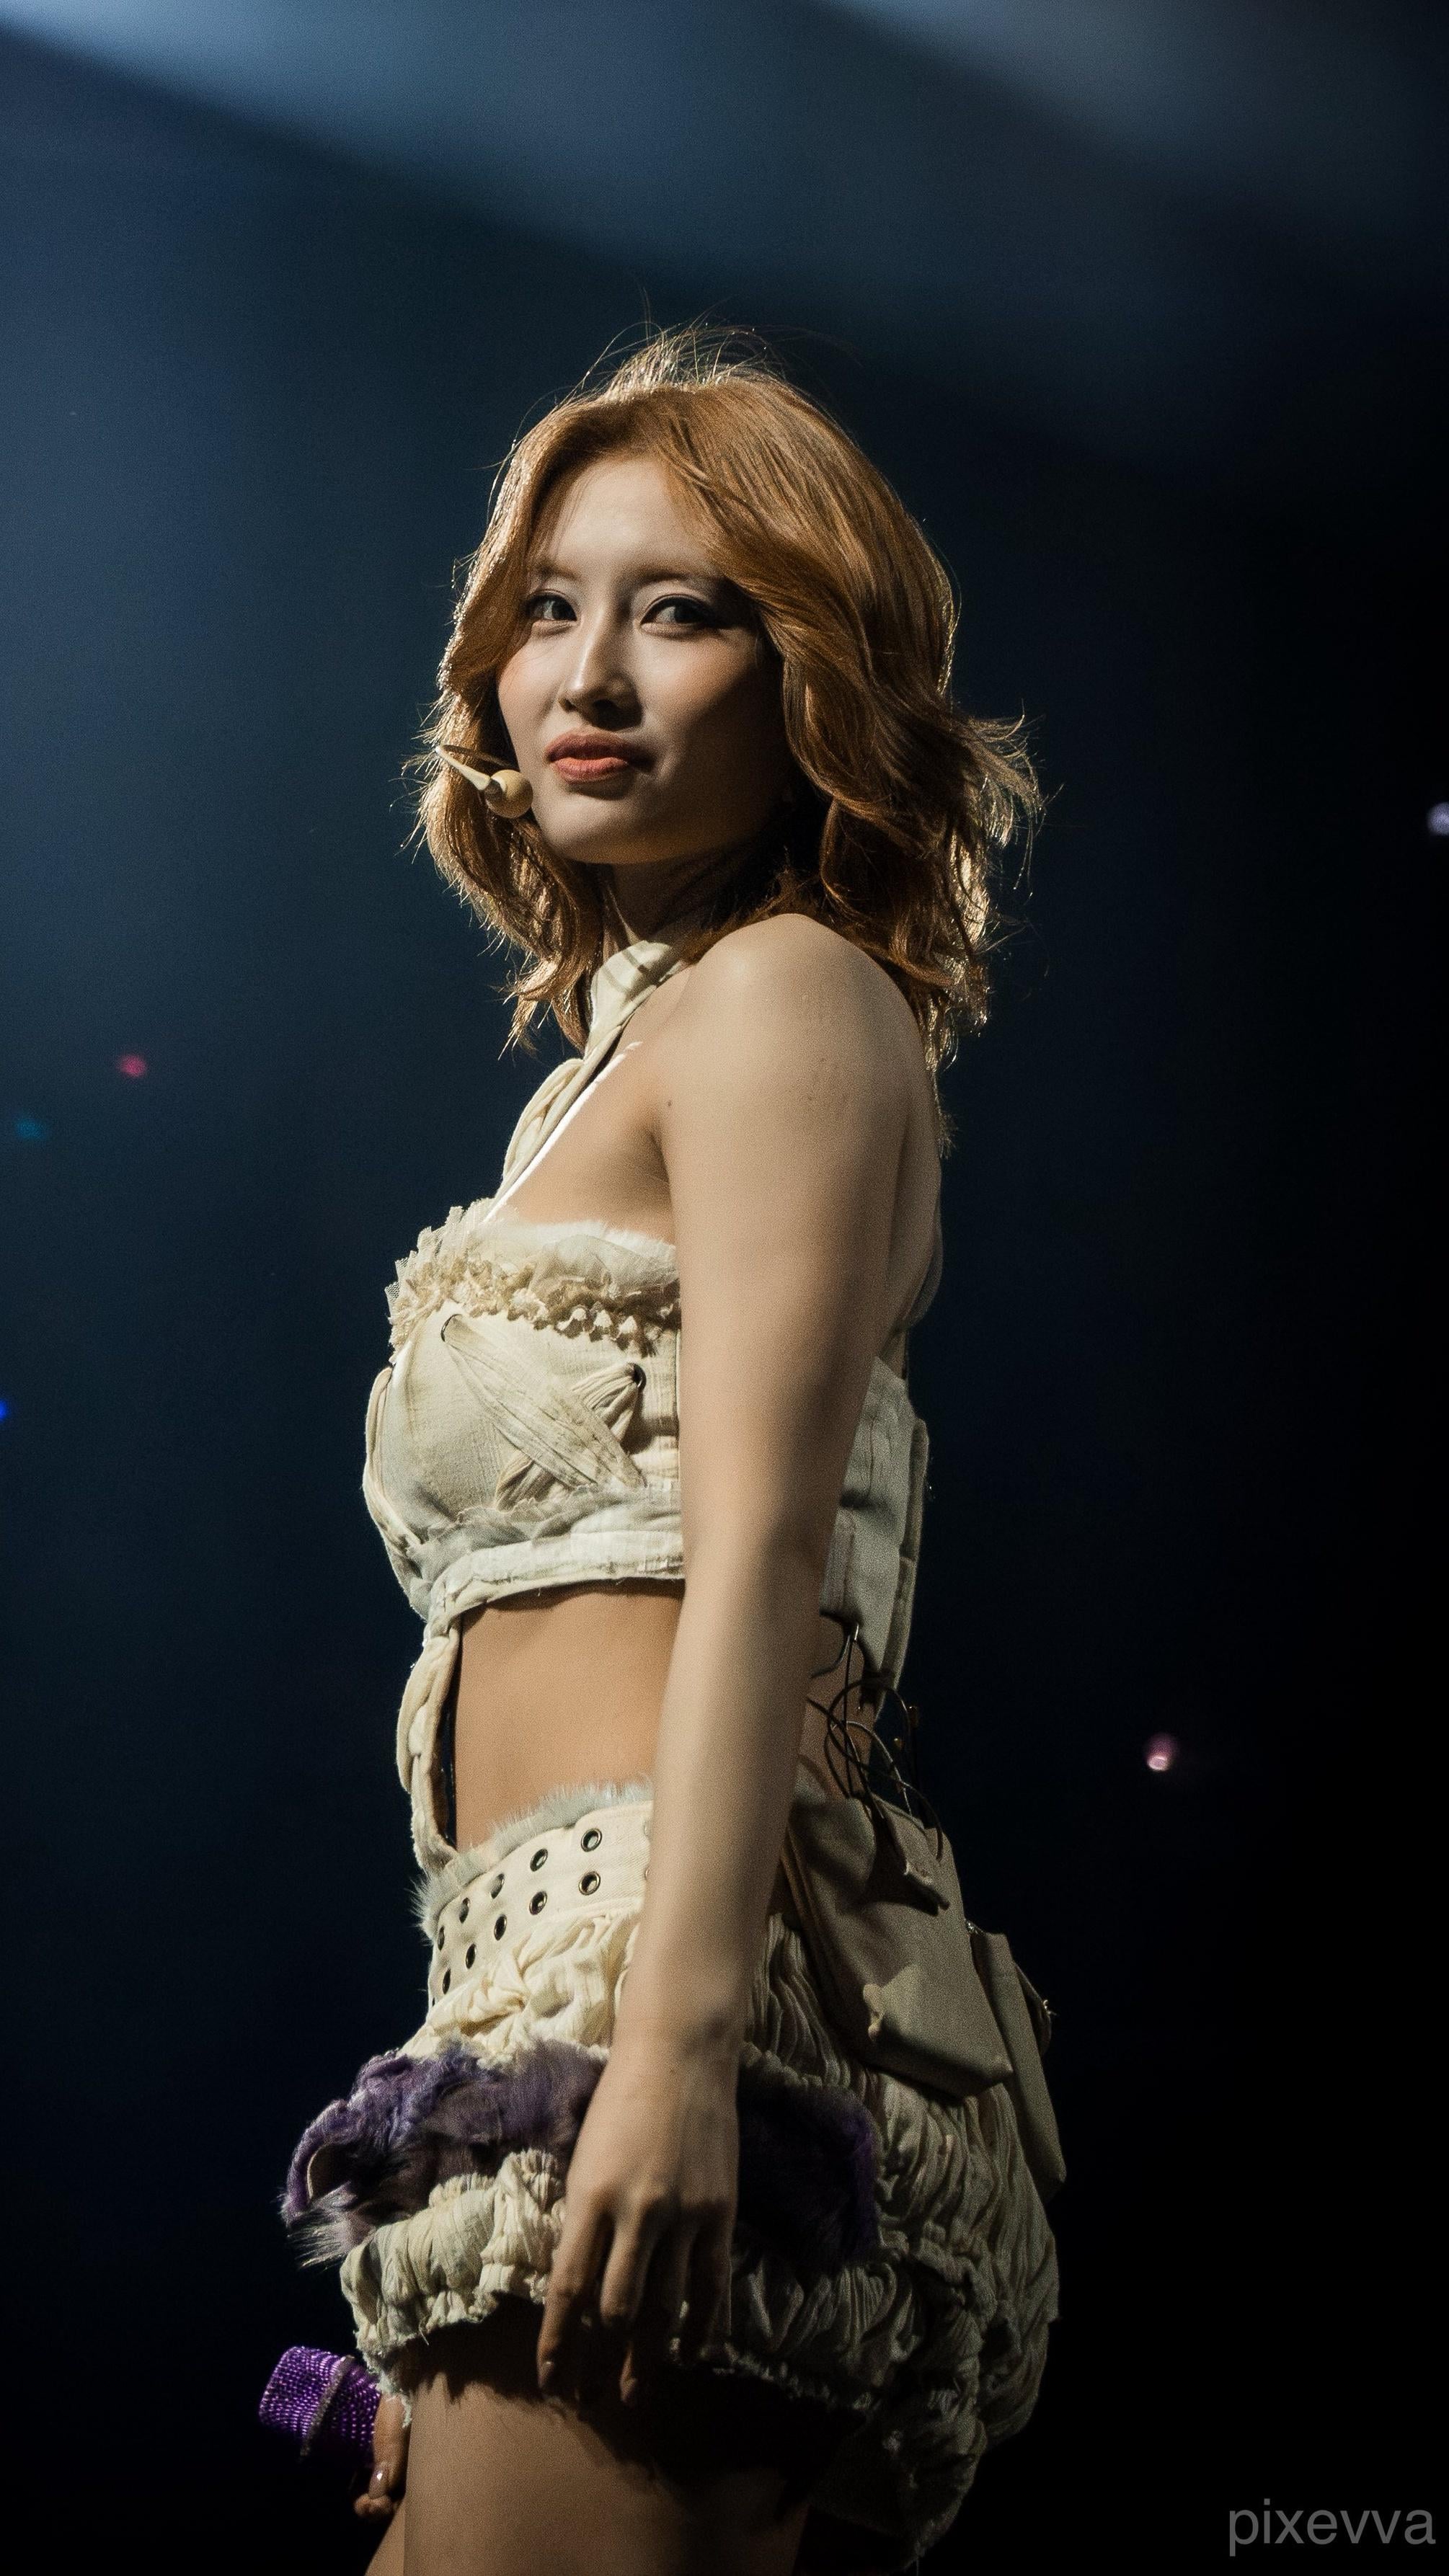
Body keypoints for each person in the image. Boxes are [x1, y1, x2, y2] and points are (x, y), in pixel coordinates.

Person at [280, 327, 1060, 2575]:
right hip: (545, 1976)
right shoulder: (620, 1058)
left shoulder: (786, 995)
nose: (588, 675)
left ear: (809, 674)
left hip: (673, 1985)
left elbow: (763, 1549)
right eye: (548, 608)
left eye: (681, 611)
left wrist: (677, 2055)